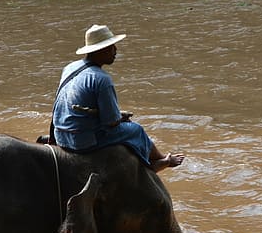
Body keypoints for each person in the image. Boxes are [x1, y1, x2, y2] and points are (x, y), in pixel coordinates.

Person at [48, 24, 184, 172]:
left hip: (60, 136)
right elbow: (111, 122)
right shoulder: (102, 79)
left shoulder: (70, 68)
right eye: (111, 47)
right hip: (81, 142)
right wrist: (120, 118)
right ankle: (160, 161)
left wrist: (118, 116)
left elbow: (77, 105)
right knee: (135, 130)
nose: (115, 51)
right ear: (101, 50)